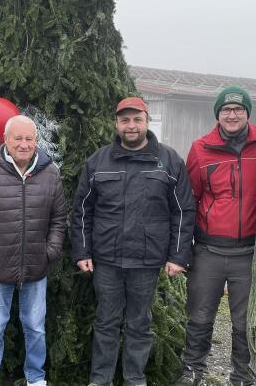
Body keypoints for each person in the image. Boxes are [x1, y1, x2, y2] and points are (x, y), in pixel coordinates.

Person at [71, 97, 196, 386]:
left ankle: (134, 380)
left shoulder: (169, 160)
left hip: (146, 260)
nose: (131, 126)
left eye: (137, 119)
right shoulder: (98, 161)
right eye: (125, 120)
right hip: (106, 260)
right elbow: (81, 210)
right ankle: (100, 380)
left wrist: (178, 256)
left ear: (146, 121)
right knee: (106, 323)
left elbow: (182, 211)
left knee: (140, 324)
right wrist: (82, 251)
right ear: (116, 124)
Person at [0, 115, 66, 386]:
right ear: (5, 140)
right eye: (17, 138)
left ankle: (36, 378)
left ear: (36, 141)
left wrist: (49, 251)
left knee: (36, 328)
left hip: (35, 269)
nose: (24, 144)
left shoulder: (50, 173)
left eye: (29, 138)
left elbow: (59, 219)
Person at [174, 86, 256, 386]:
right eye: (226, 110)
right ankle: (192, 371)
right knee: (200, 315)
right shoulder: (201, 148)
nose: (232, 114)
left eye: (238, 109)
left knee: (244, 323)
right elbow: (187, 203)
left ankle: (242, 376)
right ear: (218, 114)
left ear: (247, 113)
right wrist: (183, 251)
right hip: (209, 252)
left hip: (250, 253)